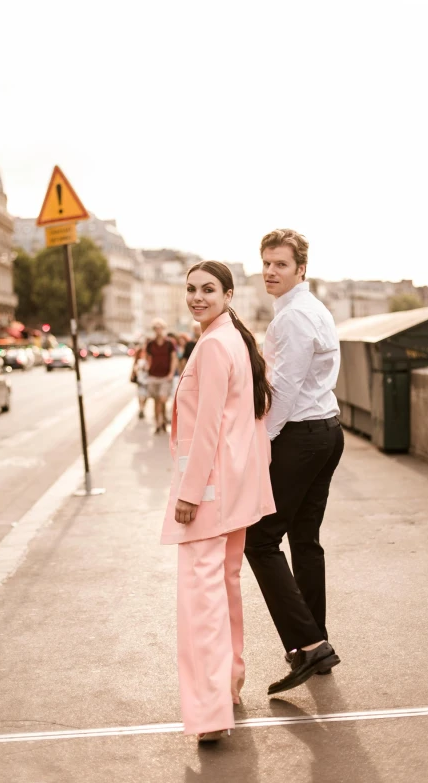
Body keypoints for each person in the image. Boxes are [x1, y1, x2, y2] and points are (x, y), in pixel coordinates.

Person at [161, 261, 276, 742]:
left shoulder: (212, 345)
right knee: (224, 588)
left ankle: (209, 715)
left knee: (201, 598)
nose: (197, 298)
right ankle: (229, 684)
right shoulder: (234, 341)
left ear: (228, 295)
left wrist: (187, 493)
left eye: (208, 290)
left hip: (207, 492)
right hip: (234, 488)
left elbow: (207, 425)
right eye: (191, 289)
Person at [244, 229, 344, 695]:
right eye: (265, 262)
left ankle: (308, 644)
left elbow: (282, 393)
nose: (269, 271)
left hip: (302, 437)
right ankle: (316, 642)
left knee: (260, 540)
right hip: (326, 431)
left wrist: (259, 444)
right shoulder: (312, 309)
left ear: (300, 269)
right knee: (305, 540)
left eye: (280, 264)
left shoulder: (291, 319)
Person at [146, 319, 178, 434]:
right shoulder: (150, 343)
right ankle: (158, 423)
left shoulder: (170, 343)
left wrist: (171, 373)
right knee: (156, 401)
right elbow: (148, 358)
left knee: (162, 399)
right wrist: (147, 368)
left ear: (163, 329)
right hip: (153, 375)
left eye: (160, 328)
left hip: (165, 376)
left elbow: (174, 358)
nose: (158, 330)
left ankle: (162, 419)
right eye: (156, 328)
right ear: (154, 330)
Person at [131, 341, 149, 419]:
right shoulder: (138, 361)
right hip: (140, 380)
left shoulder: (148, 360)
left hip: (147, 380)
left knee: (145, 396)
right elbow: (135, 369)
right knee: (140, 395)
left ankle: (142, 408)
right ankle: (141, 409)